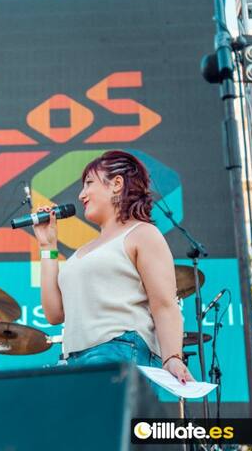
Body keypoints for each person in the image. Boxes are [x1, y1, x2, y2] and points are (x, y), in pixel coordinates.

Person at [32, 149, 193, 385]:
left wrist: (172, 357)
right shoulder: (82, 252)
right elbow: (54, 313)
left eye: (89, 183)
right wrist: (47, 246)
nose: (81, 194)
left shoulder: (142, 233)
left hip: (119, 349)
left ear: (117, 184)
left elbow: (164, 304)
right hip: (74, 358)